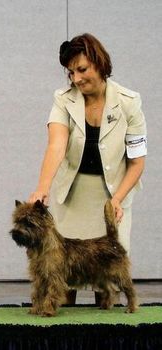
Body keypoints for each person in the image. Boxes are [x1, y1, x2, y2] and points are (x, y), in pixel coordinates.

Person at [29, 33, 147, 303]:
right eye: (71, 73)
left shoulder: (129, 102)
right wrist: (42, 188)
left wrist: (117, 199)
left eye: (81, 69)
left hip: (113, 196)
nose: (76, 79)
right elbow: (56, 146)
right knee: (62, 274)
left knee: (107, 277)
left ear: (99, 62)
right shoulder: (63, 99)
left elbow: (138, 162)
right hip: (72, 195)